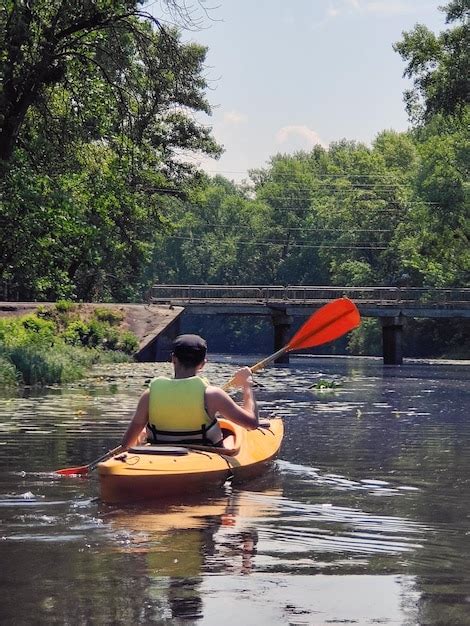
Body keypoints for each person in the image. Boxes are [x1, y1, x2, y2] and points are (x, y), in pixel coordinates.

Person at [121, 334, 259, 449]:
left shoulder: (149, 395)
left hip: (159, 454)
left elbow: (126, 444)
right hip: (207, 455)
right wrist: (246, 386)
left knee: (142, 433)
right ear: (202, 364)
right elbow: (252, 424)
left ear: (173, 360)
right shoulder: (213, 395)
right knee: (230, 433)